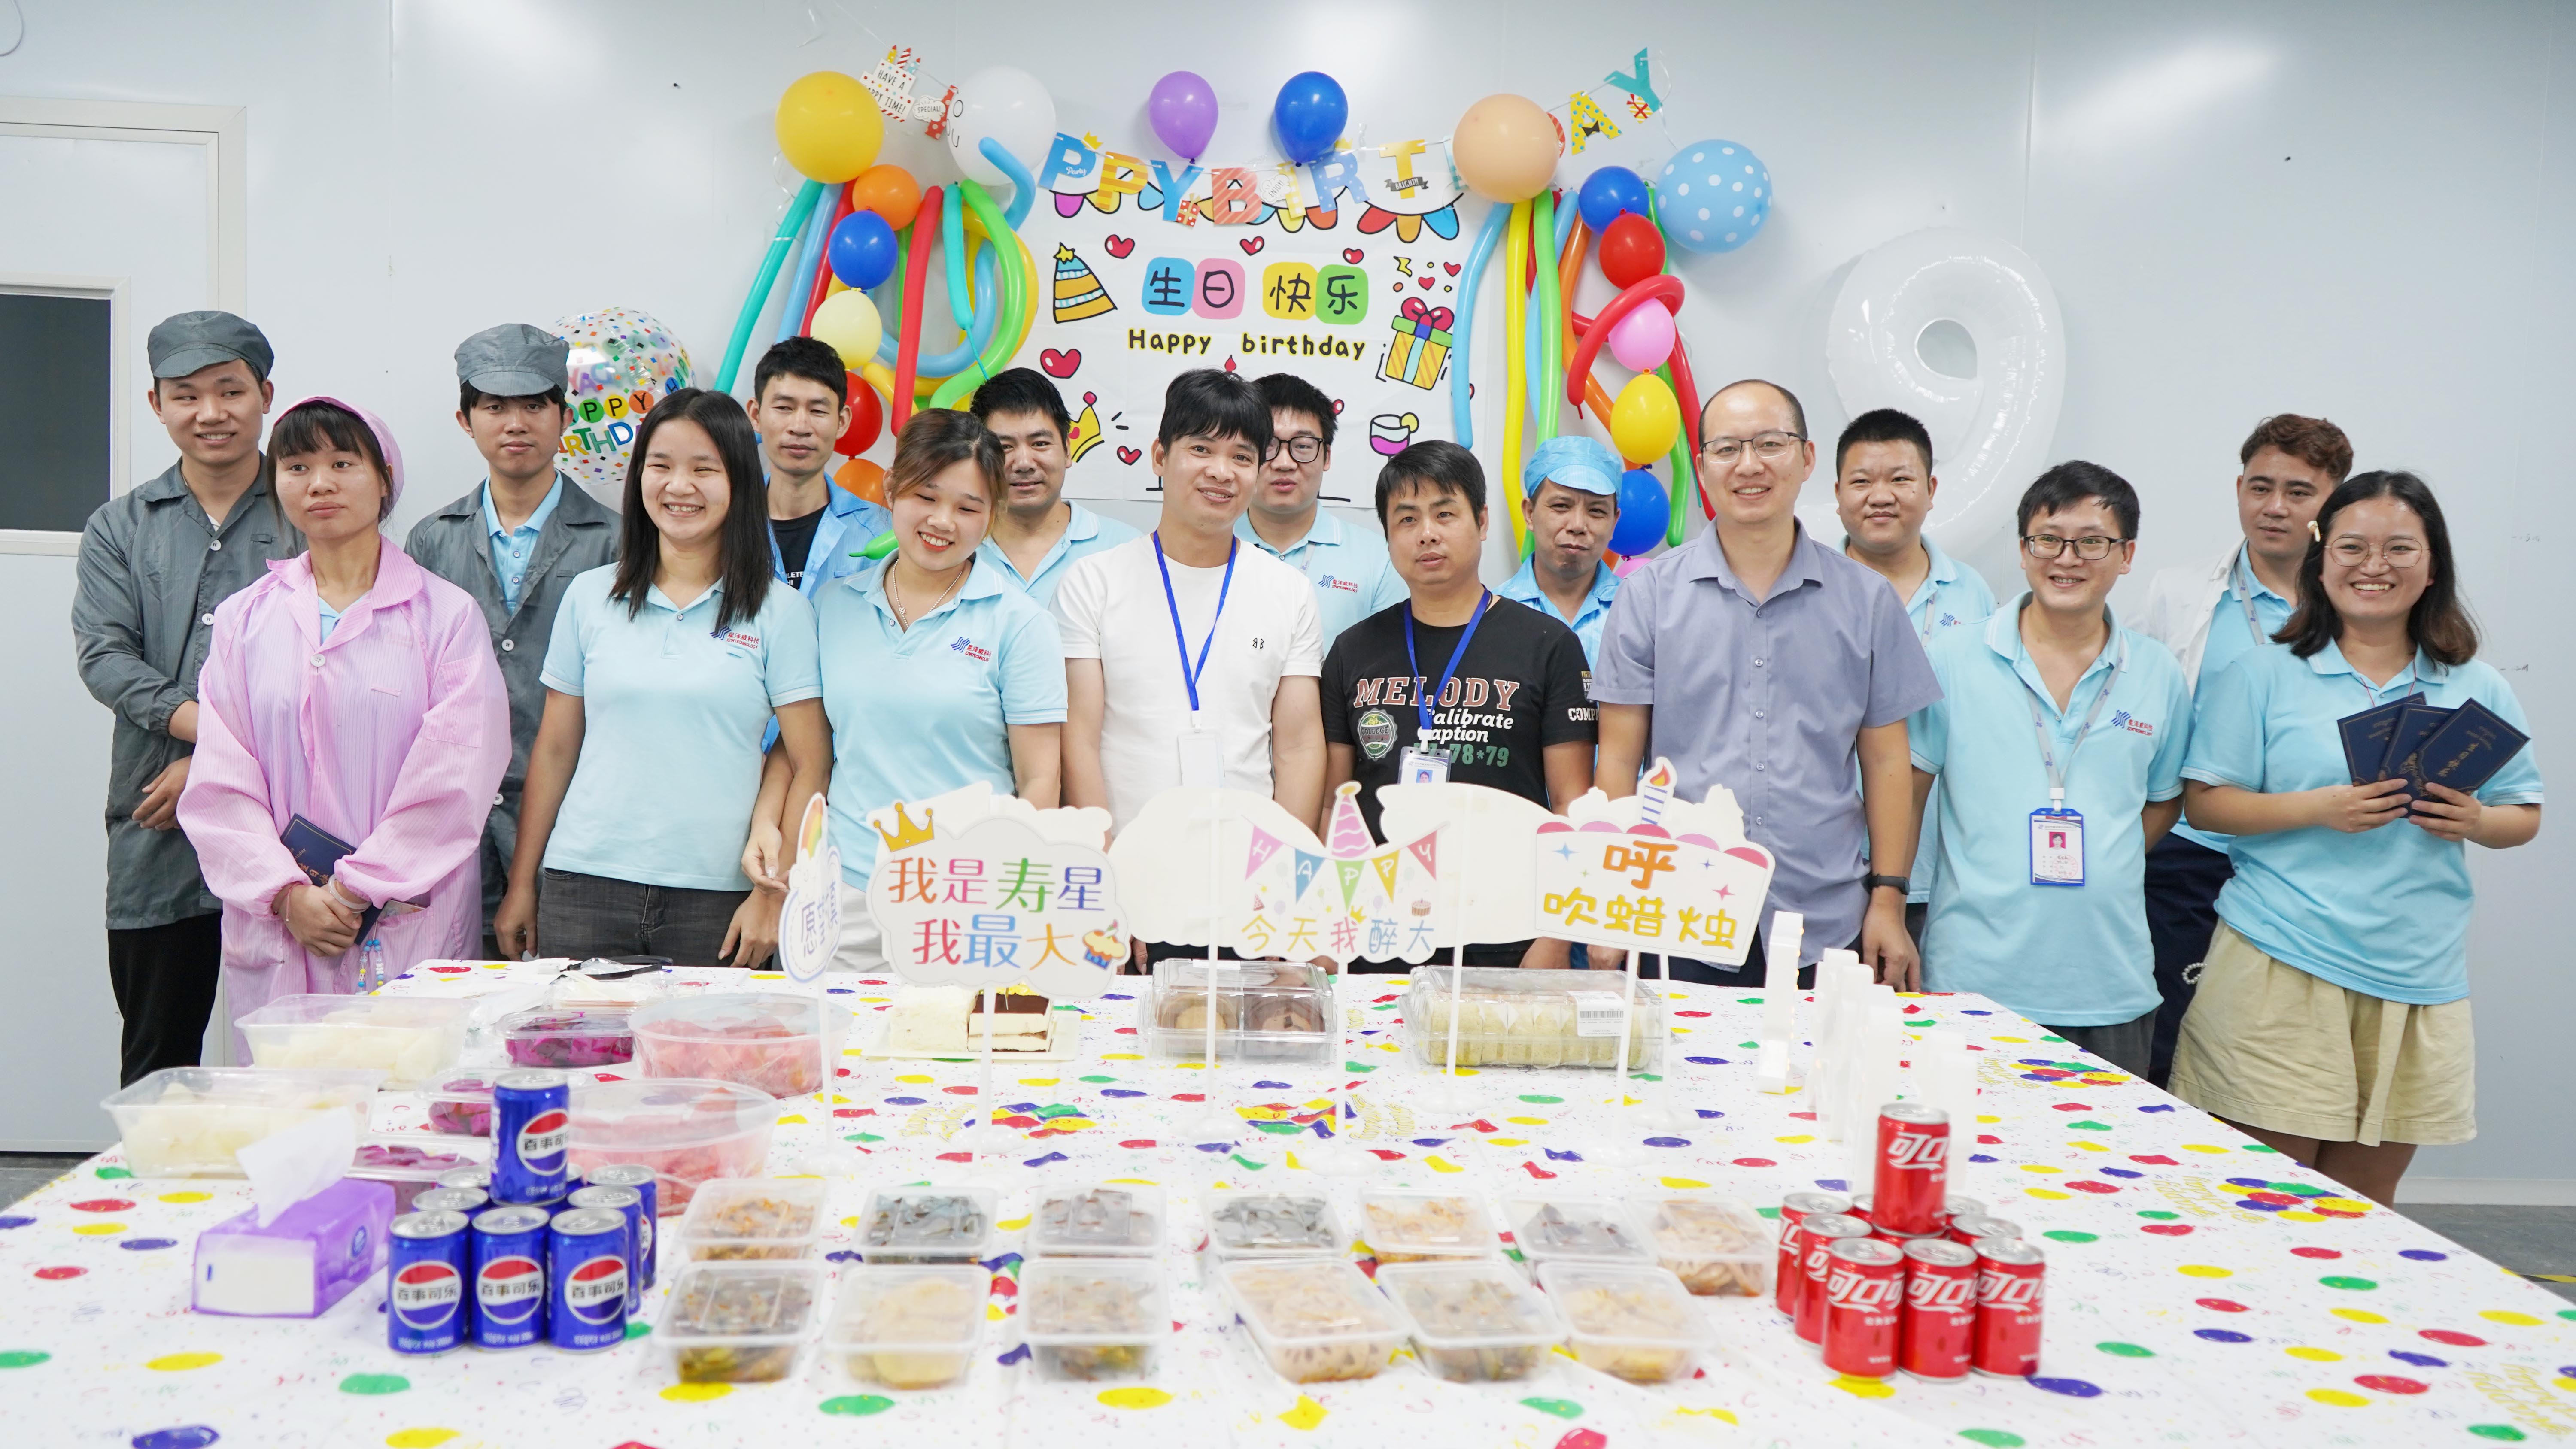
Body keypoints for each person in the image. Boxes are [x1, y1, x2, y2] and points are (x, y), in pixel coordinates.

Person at [2172, 470, 2541, 1205]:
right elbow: (2206, 805)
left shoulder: (2476, 684)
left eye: (2399, 548)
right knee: (2261, 1203)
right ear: (2321, 561)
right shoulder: (2262, 674)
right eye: (2352, 547)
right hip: (2280, 960)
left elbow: (2522, 814)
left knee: (2361, 1215)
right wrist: (2319, 808)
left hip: (2416, 974)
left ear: (2432, 567)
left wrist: (2476, 821)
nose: (2375, 565)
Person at [174, 397, 509, 1044]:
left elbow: (456, 776)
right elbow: (221, 780)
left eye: (342, 463)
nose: (319, 483)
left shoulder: (446, 617)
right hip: (282, 924)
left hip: (403, 921)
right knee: (289, 1091)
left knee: (409, 1087)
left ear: (384, 479)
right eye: (297, 467)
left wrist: (355, 891)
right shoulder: (245, 619)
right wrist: (285, 895)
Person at [1592, 379, 1941, 986]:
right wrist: (1611, 900)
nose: (1749, 465)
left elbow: (1887, 759)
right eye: (1727, 449)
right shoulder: (1649, 595)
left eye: (1770, 444)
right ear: (1702, 467)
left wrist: (1888, 897)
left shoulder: (1867, 600)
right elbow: (1619, 759)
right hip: (1677, 910)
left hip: (1826, 915)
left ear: (1807, 458)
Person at [494, 389, 831, 965]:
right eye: (661, 466)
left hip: (720, 895)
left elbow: (811, 762)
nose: (679, 487)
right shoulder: (590, 596)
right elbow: (553, 750)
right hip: (584, 884)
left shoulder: (781, 612)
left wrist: (774, 892)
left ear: (740, 482)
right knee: (577, 1029)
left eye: (704, 469)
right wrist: (523, 882)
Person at [74, 311, 304, 1085]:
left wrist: (214, 765)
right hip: (158, 828)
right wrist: (214, 742)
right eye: (187, 395)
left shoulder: (311, 509)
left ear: (265, 395)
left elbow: (333, 671)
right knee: (157, 1060)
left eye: (231, 391)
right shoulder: (120, 527)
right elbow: (106, 659)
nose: (211, 413)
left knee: (299, 1054)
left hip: (290, 829)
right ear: (157, 404)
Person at [1907, 463, 2190, 1077]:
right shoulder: (1954, 657)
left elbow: (2166, 797)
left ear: (2127, 555)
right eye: (2049, 539)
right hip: (1973, 981)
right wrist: (1887, 897)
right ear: (2023, 550)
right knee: (1964, 1139)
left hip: (2109, 984)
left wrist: (2108, 852)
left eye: (2092, 542)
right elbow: (1909, 791)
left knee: (2103, 1143)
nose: (2068, 558)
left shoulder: (2157, 671)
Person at [771, 409, 1067, 972]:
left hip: (965, 899)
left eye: (968, 508)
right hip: (843, 893)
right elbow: (805, 749)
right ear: (891, 488)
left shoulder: (1021, 624)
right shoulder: (833, 606)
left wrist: (1012, 901)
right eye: (925, 497)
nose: (942, 521)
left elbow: (1040, 779)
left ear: (993, 515)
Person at [1056, 370, 1324, 963]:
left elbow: (1300, 746)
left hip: (1250, 894)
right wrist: (1107, 882)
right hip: (1129, 891)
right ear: (1160, 456)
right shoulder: (1094, 583)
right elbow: (1078, 738)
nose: (1221, 471)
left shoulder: (1288, 591)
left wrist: (1284, 883)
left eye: (1241, 456)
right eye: (1201, 449)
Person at [2136, 414, 2351, 1084]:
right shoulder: (2181, 592)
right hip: (2190, 856)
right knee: (2172, 1044)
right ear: (2239, 490)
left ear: (2334, 501)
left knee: (2274, 1059)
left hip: (2303, 862)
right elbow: (2139, 707)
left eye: (2299, 491)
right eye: (2261, 488)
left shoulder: (2359, 606)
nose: (2275, 507)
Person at [1322, 441, 1595, 971]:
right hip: (1376, 931)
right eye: (1407, 519)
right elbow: (1335, 807)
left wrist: (1554, 939)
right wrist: (1328, 929)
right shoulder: (1353, 650)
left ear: (1483, 521)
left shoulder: (1547, 644)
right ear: (1388, 537)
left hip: (1507, 932)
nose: (1427, 533)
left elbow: (1572, 805)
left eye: (1445, 513)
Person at [404, 324, 620, 955]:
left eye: (533, 405)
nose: (516, 424)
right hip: (455, 820)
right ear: (465, 420)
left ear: (564, 417)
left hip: (575, 818)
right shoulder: (431, 540)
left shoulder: (618, 542)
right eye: (495, 407)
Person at [1831, 407, 1998, 946]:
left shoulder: (1973, 595)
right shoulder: (1810, 591)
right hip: (1826, 866)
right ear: (1837, 494)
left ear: (1930, 490)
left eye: (1900, 479)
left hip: (1938, 872)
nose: (1880, 496)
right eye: (1862, 481)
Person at [1239, 372, 1406, 648]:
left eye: (1303, 446)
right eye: (1268, 445)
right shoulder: (1210, 548)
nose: (1284, 463)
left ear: (1326, 456)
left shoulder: (1380, 560)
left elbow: (1388, 664)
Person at [969, 367, 1138, 606]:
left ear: (1068, 450)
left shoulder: (1126, 549)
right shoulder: (958, 547)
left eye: (1040, 443)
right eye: (1005, 447)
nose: (1024, 463)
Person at [746, 336, 888, 596]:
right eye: (784, 407)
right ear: (756, 415)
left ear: (842, 422)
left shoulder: (881, 532)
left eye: (818, 411)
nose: (800, 427)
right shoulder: (724, 524)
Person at [1498, 435, 1624, 665]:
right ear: (1529, 513)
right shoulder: (1492, 614)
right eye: (1561, 506)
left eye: (1596, 511)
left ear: (1614, 523)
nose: (1577, 525)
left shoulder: (1638, 613)